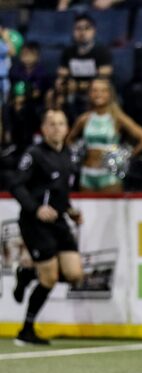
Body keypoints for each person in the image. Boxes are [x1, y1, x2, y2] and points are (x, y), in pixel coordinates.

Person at [9, 109, 84, 346]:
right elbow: (16, 185)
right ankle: (26, 330)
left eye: (61, 123)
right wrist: (35, 209)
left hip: (59, 220)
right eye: (51, 124)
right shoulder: (34, 154)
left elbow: (60, 191)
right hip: (35, 222)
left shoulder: (69, 155)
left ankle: (28, 273)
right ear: (43, 128)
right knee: (50, 278)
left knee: (74, 274)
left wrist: (70, 211)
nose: (56, 128)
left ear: (67, 128)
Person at [66, 78, 142, 193]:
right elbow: (69, 140)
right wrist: (78, 154)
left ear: (110, 94)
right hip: (86, 174)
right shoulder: (84, 119)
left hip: (109, 176)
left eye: (103, 91)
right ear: (89, 94)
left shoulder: (117, 118)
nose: (98, 94)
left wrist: (125, 156)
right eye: (95, 90)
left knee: (111, 211)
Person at [56, 14, 113, 100]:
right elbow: (62, 72)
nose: (82, 33)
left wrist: (80, 85)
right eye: (78, 29)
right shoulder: (68, 51)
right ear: (73, 31)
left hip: (95, 90)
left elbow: (106, 73)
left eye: (87, 28)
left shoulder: (102, 51)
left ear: (94, 31)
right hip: (72, 90)